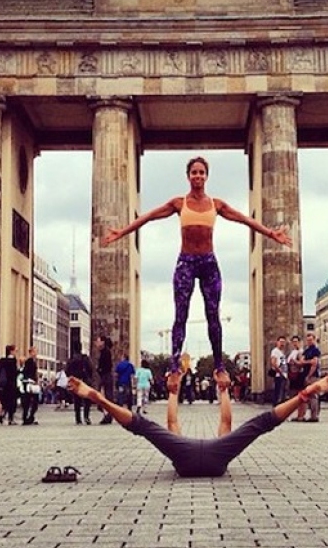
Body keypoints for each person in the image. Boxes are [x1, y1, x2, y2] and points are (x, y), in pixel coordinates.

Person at [101, 156, 291, 376]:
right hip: (186, 263)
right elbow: (149, 217)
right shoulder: (179, 203)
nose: (198, 176)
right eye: (194, 172)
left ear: (206, 176)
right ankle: (174, 363)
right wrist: (122, 232)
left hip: (208, 263)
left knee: (213, 315)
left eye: (201, 172)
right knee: (181, 315)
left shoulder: (215, 204)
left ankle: (219, 364)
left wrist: (270, 233)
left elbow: (243, 219)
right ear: (188, 176)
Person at [66, 369, 328, 478]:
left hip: (183, 459)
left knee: (144, 426)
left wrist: (174, 392)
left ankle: (101, 401)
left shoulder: (177, 441)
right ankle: (305, 394)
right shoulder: (222, 443)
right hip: (215, 461)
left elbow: (172, 420)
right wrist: (224, 391)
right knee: (259, 424)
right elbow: (226, 421)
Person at [66, 350, 94, 425]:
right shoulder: (85, 358)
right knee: (87, 399)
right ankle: (86, 417)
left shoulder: (71, 360)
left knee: (77, 401)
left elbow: (67, 371)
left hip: (75, 382)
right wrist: (89, 378)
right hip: (85, 381)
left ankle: (78, 419)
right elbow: (91, 369)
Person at [0, 344, 19, 425]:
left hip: (4, 384)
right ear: (11, 351)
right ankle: (10, 419)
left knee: (5, 400)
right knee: (12, 401)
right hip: (11, 384)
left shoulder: (2, 360)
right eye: (15, 351)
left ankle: (2, 414)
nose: (16, 352)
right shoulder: (13, 361)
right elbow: (14, 373)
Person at [95, 335, 115, 424]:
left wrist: (99, 369)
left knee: (105, 397)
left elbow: (107, 366)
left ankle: (108, 415)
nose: (96, 342)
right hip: (106, 376)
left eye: (98, 341)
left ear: (102, 342)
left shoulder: (105, 352)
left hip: (105, 377)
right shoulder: (105, 352)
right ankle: (107, 415)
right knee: (105, 396)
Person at [19, 346, 40, 425]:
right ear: (31, 352)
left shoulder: (33, 361)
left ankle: (28, 417)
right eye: (34, 352)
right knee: (31, 401)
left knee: (30, 401)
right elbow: (27, 373)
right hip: (30, 383)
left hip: (30, 383)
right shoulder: (29, 361)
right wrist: (32, 380)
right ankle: (28, 417)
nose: (36, 353)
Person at [268, 335, 287, 406]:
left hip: (283, 374)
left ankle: (279, 406)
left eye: (283, 342)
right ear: (277, 342)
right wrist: (280, 372)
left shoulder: (282, 352)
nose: (282, 343)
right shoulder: (275, 351)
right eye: (281, 342)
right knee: (278, 392)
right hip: (279, 375)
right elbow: (273, 363)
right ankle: (276, 407)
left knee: (282, 393)